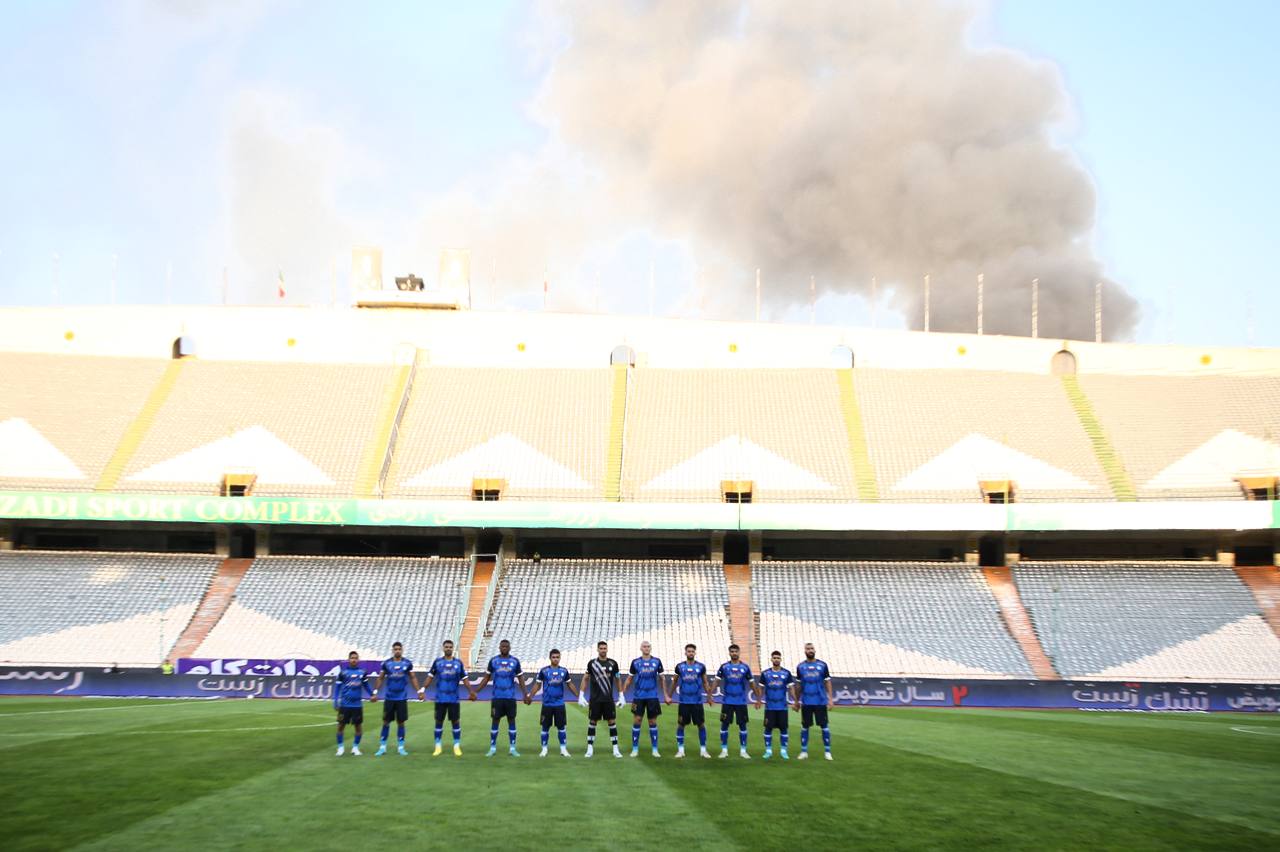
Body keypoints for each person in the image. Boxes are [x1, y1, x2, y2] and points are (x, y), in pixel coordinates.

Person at [472, 639, 528, 757]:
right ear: (499, 647)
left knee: (511, 721)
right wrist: (475, 691)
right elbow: (486, 678)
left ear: (509, 647)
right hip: (497, 697)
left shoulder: (515, 661)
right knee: (495, 720)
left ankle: (512, 748)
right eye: (502, 646)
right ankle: (492, 748)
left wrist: (525, 694)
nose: (504, 648)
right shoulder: (493, 661)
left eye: (506, 646)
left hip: (510, 697)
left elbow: (521, 678)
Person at [422, 639, 472, 756]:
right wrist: (423, 689)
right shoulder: (437, 662)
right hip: (440, 698)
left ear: (453, 648)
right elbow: (430, 676)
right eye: (446, 647)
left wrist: (471, 691)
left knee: (455, 722)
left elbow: (464, 678)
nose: (448, 648)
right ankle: (438, 746)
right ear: (443, 648)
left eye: (450, 647)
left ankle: (456, 746)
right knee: (439, 721)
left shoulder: (458, 663)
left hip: (453, 698)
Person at [372, 641, 420, 756]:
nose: (397, 651)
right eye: (396, 649)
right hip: (389, 698)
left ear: (402, 650)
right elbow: (380, 678)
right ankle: (382, 747)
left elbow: (413, 677)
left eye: (399, 649)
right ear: (393, 650)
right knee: (386, 722)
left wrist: (419, 691)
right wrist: (375, 692)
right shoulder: (387, 664)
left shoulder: (407, 663)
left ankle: (401, 747)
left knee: (401, 722)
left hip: (401, 698)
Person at [665, 642, 712, 759]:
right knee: (681, 725)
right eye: (688, 651)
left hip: (697, 702)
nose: (690, 653)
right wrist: (669, 696)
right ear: (685, 652)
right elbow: (674, 681)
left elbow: (705, 682)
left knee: (701, 725)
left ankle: (703, 750)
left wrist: (709, 696)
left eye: (692, 651)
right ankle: (680, 750)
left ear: (695, 653)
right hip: (684, 702)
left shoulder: (701, 667)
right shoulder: (680, 666)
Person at [578, 640, 624, 758]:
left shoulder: (613, 664)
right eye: (601, 648)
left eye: (605, 648)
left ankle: (615, 749)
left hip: (608, 699)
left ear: (607, 649)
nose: (603, 650)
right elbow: (585, 678)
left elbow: (618, 679)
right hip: (595, 699)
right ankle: (589, 748)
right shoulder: (592, 664)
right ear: (597, 650)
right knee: (593, 722)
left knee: (612, 722)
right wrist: (581, 694)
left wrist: (621, 695)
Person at [531, 649, 580, 757]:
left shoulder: (564, 671)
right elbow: (537, 685)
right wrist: (530, 695)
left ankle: (563, 749)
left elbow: (570, 684)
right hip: (547, 704)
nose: (555, 659)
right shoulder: (544, 671)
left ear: (560, 658)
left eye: (557, 657)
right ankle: (544, 749)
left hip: (559, 704)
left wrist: (578, 696)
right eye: (553, 657)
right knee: (545, 727)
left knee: (561, 727)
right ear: (550, 658)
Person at [620, 640, 664, 758]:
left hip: (652, 696)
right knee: (637, 720)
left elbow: (662, 678)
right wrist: (622, 694)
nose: (646, 648)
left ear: (651, 648)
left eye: (648, 646)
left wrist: (666, 694)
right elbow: (629, 679)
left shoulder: (657, 661)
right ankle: (635, 749)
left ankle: (655, 749)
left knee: (652, 722)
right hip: (638, 697)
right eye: (644, 646)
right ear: (641, 648)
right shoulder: (635, 662)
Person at [715, 643, 758, 759]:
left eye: (736, 651)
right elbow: (716, 681)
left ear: (739, 653)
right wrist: (710, 694)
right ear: (729, 653)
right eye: (732, 651)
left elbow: (751, 683)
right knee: (724, 725)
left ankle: (743, 751)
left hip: (741, 702)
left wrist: (758, 697)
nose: (734, 653)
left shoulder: (745, 667)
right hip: (727, 701)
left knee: (743, 725)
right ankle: (724, 750)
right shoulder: (724, 667)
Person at [795, 642, 834, 760]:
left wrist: (830, 699)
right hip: (806, 702)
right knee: (805, 727)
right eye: (808, 648)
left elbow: (827, 682)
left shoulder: (823, 665)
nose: (810, 650)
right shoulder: (800, 667)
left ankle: (827, 752)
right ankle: (804, 751)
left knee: (824, 727)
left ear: (815, 650)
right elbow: (799, 686)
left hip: (820, 701)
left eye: (812, 648)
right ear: (805, 651)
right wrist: (797, 701)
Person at [333, 651, 373, 756]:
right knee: (340, 726)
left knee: (358, 727)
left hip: (357, 706)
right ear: (349, 659)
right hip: (344, 705)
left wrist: (372, 694)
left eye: (356, 658)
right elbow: (337, 688)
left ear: (358, 659)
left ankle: (355, 748)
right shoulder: (343, 673)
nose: (354, 660)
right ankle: (340, 748)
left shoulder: (362, 672)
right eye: (352, 658)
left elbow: (366, 685)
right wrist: (335, 701)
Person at [758, 650, 795, 760]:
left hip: (782, 707)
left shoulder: (786, 673)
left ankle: (783, 751)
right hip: (770, 707)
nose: (776, 659)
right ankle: (768, 751)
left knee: (784, 729)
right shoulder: (765, 674)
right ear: (771, 659)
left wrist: (796, 701)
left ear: (781, 659)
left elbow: (791, 688)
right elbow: (760, 688)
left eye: (778, 658)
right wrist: (758, 700)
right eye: (774, 658)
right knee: (768, 729)